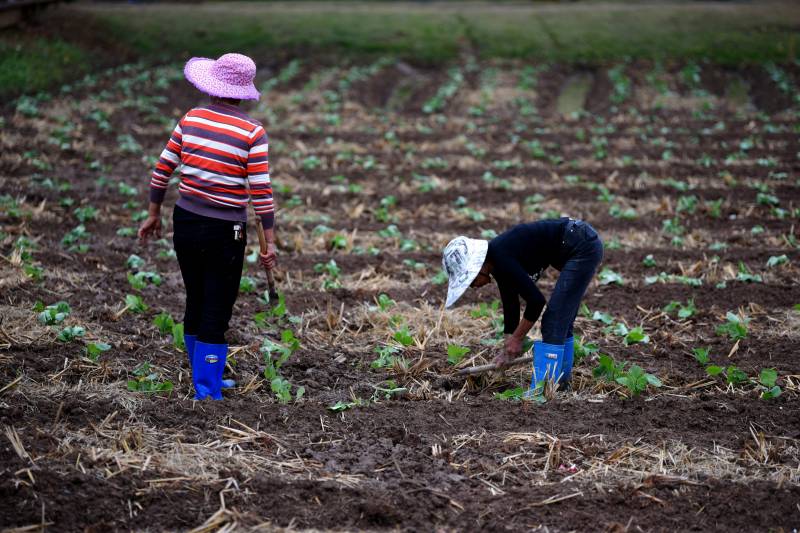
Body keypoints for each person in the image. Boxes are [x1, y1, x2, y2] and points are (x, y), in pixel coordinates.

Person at [138, 53, 276, 400]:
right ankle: (207, 389)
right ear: (243, 92)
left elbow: (162, 170)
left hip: (184, 221)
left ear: (212, 86)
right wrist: (269, 243)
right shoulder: (252, 133)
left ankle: (203, 375)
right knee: (218, 302)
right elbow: (261, 193)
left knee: (196, 296)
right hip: (226, 230)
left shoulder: (191, 119)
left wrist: (154, 213)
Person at [442, 218, 603, 389]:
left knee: (553, 321)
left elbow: (536, 301)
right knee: (561, 321)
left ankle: (544, 390)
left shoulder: (501, 258)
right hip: (578, 240)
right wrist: (508, 345)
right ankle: (560, 384)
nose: (473, 287)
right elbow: (510, 303)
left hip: (582, 245)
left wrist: (517, 339)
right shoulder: (497, 261)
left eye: (470, 281)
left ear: (476, 268)